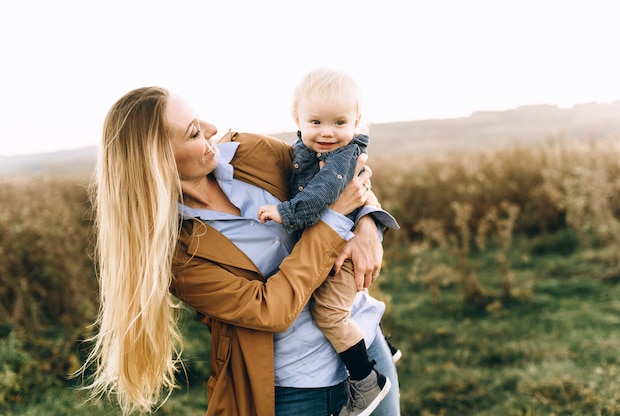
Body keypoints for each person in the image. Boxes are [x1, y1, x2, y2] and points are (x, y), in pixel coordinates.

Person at [78, 86, 400, 416]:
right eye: (193, 132)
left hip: (365, 350)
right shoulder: (176, 254)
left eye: (198, 119)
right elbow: (270, 310)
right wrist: (331, 224)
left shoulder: (253, 152)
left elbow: (340, 178)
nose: (212, 130)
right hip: (292, 390)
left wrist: (368, 225)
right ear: (158, 161)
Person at [258, 68, 399, 416]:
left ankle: (366, 381)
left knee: (329, 312)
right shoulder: (305, 151)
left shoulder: (341, 159)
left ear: (356, 122)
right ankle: (375, 347)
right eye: (316, 121)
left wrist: (285, 213)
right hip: (335, 249)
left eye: (339, 123)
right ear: (298, 119)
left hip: (343, 255)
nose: (327, 132)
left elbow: (321, 196)